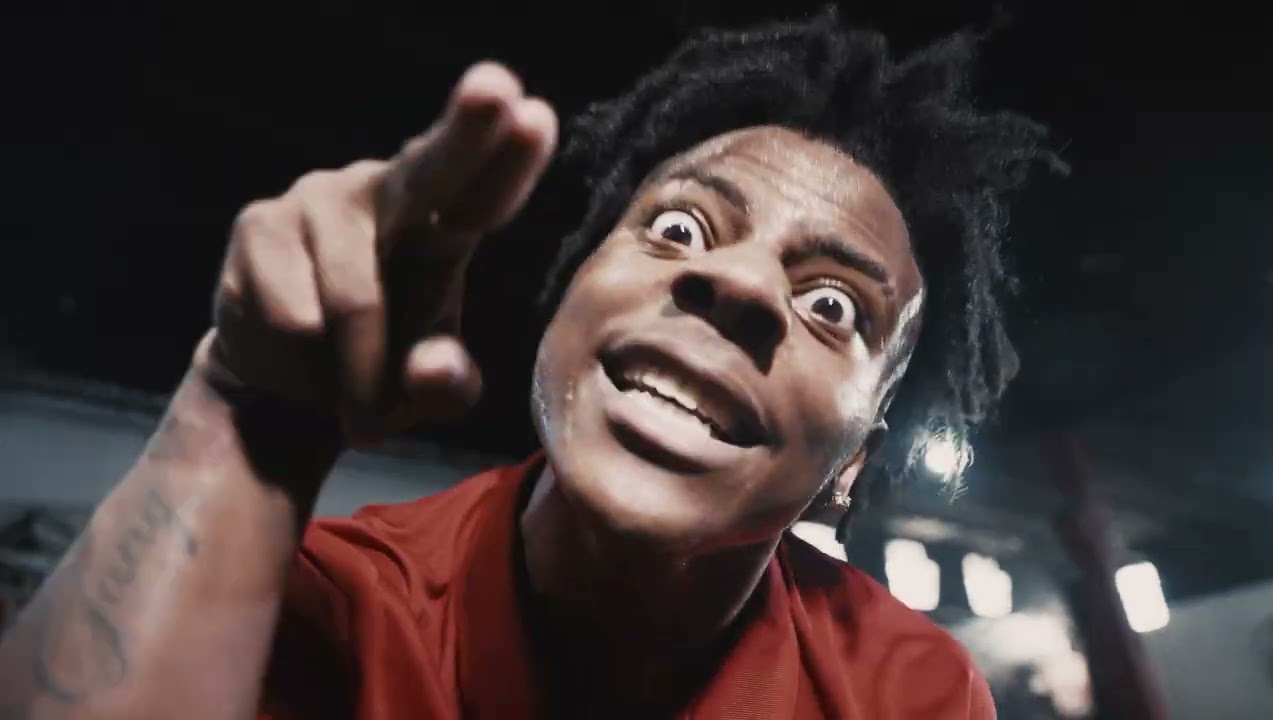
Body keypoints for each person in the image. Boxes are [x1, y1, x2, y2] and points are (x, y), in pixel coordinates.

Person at [0, 10, 1063, 720]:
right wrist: (238, 416)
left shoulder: (906, 691)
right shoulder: (328, 611)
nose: (733, 281)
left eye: (832, 305)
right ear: (570, 301)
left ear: (854, 462)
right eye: (680, 228)